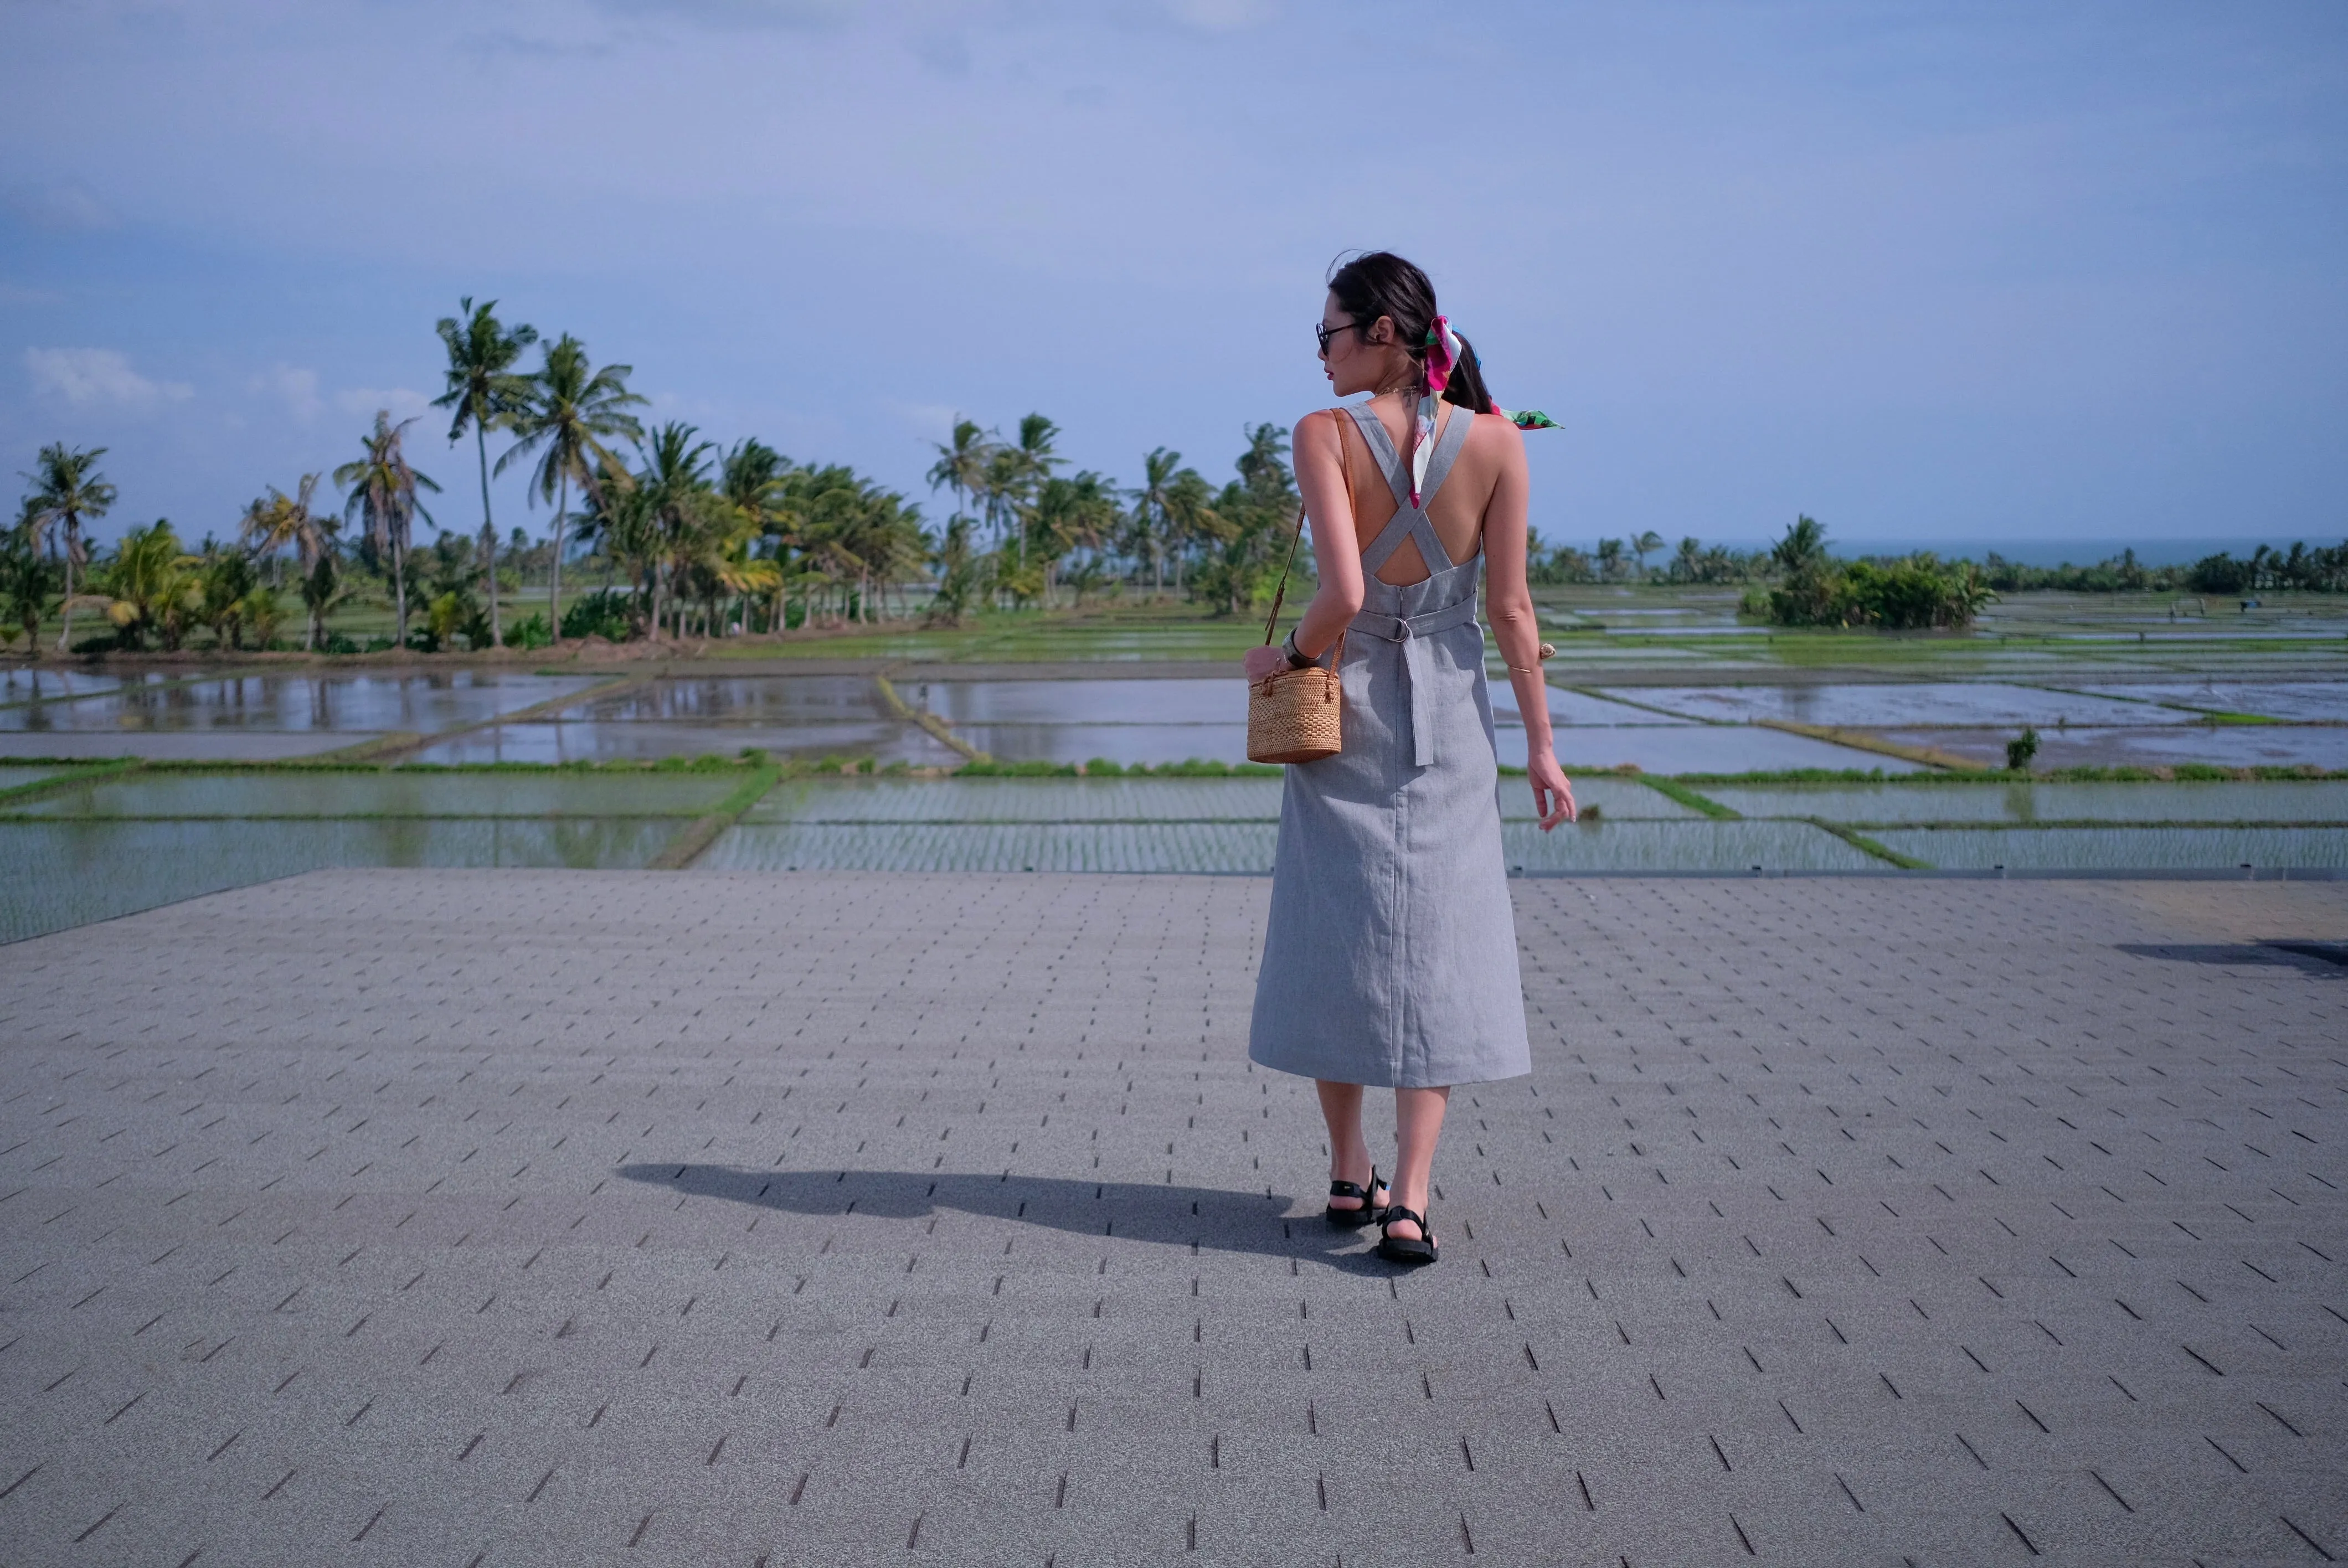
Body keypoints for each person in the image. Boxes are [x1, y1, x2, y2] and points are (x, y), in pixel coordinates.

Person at [1244, 251, 1575, 1267]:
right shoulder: (1501, 444)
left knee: (1334, 939)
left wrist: (1284, 659)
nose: (1321, 354)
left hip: (1345, 715)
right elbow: (1512, 611)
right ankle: (1412, 1200)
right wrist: (1545, 751)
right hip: (1450, 724)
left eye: (1329, 334)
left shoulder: (1321, 436)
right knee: (1436, 953)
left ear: (1383, 332)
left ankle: (1349, 1169)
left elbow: (1342, 596)